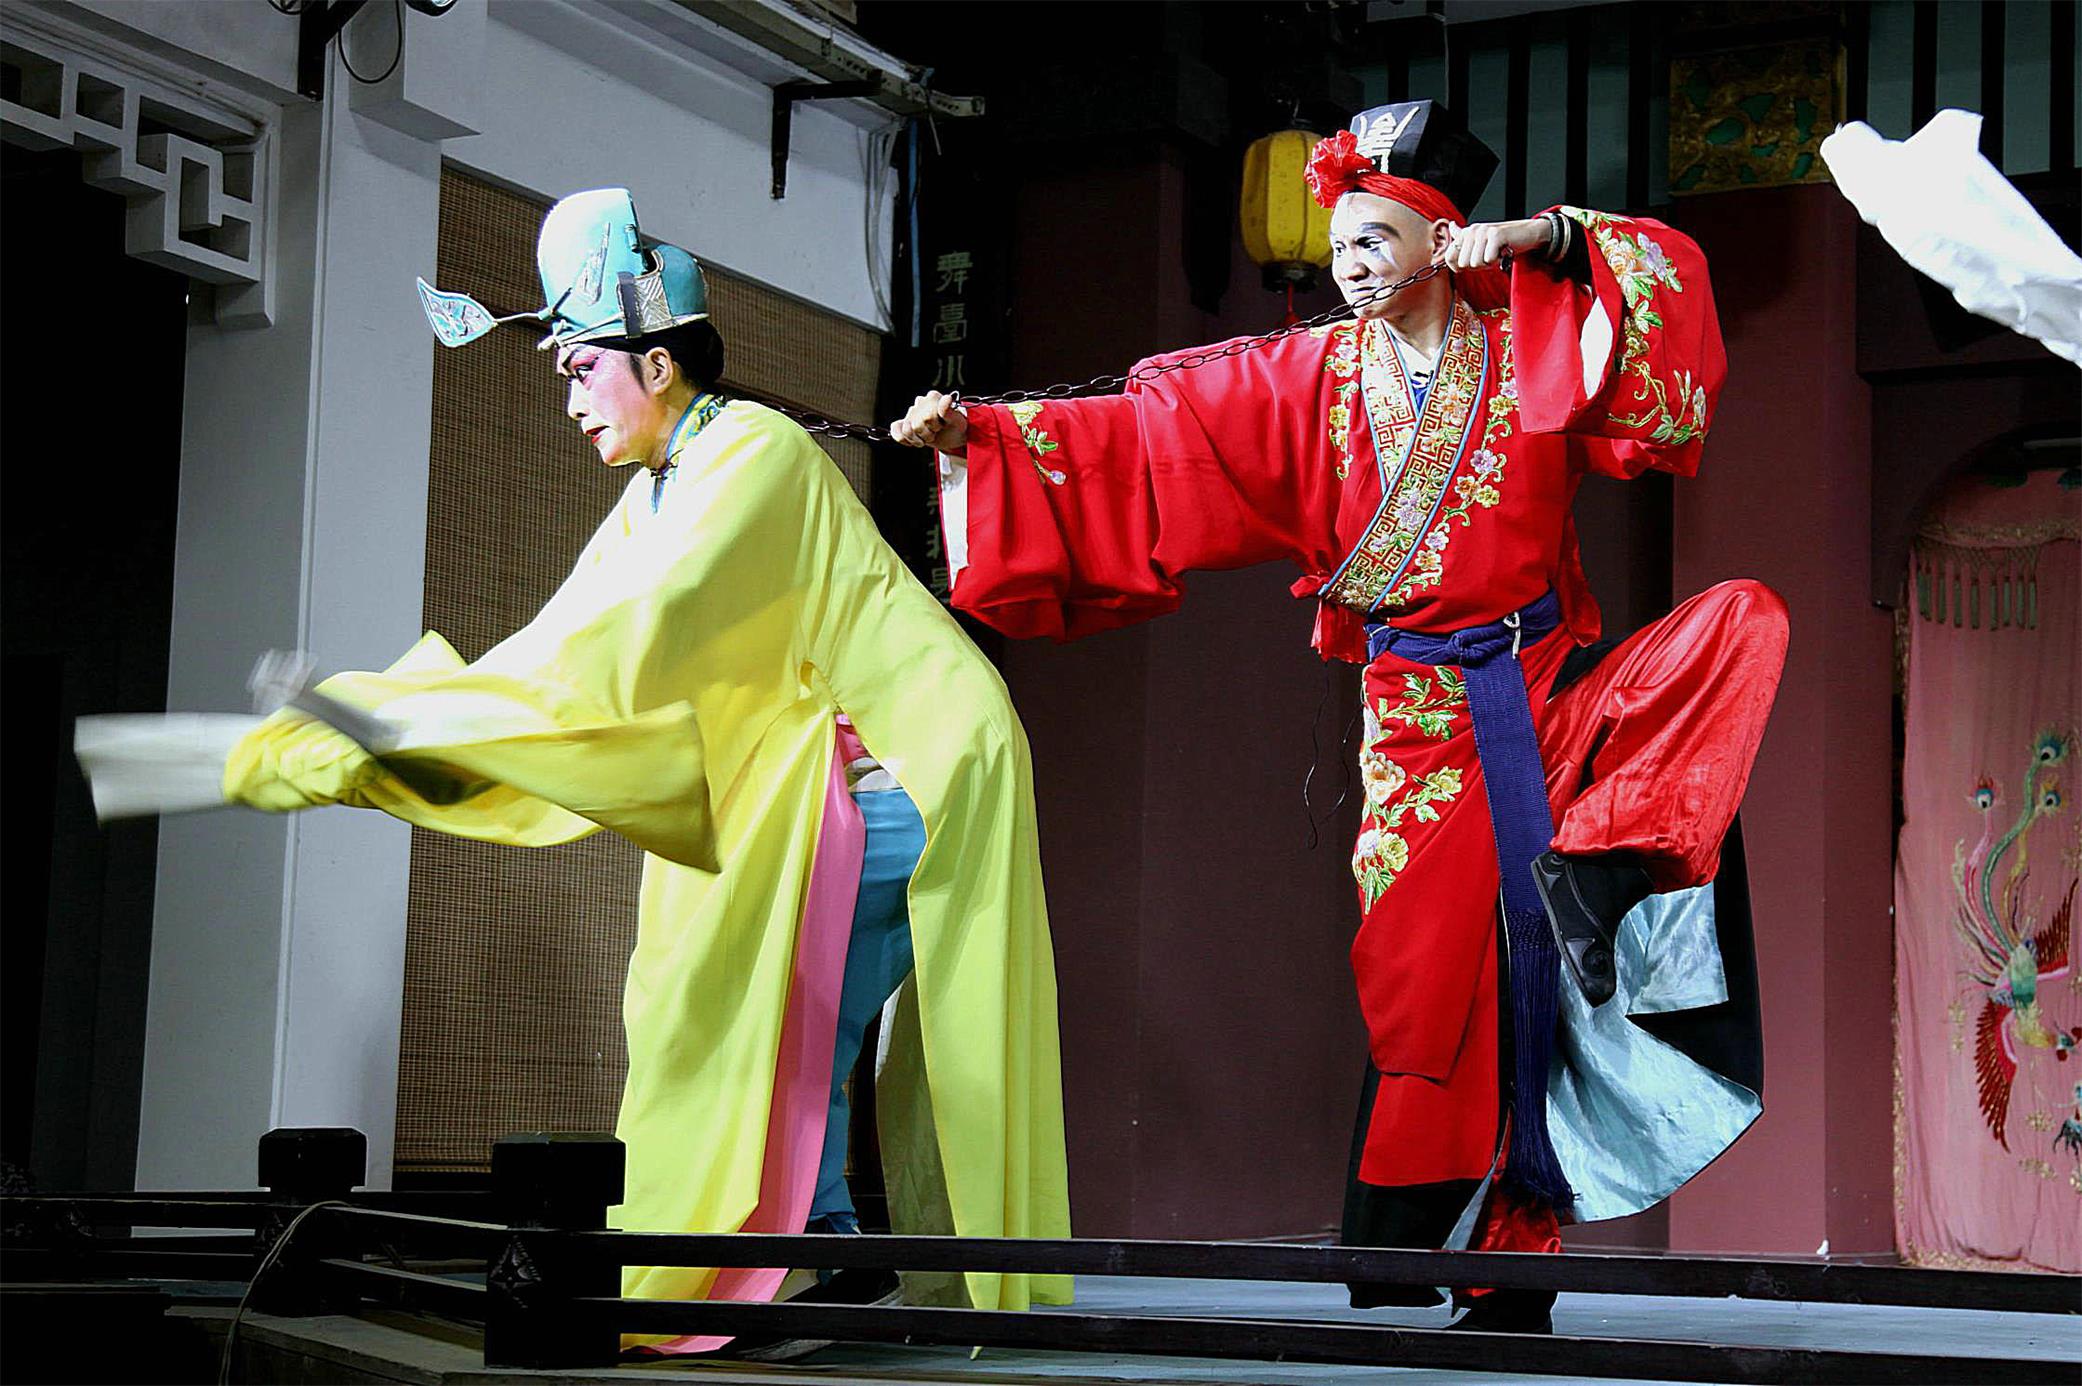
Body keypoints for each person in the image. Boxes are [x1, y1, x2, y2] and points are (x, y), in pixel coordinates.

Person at [77, 189, 1071, 1355]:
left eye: (580, 369)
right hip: (813, 775)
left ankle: (798, 1248)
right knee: (702, 988)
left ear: (655, 364)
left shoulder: (754, 452)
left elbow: (625, 639)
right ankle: (809, 1244)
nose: (569, 400)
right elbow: (553, 644)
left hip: (907, 762)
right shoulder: (662, 485)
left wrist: (401, 722)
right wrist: (393, 724)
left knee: (763, 998)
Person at [893, 102, 1786, 1333]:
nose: (1352, 266)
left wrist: (1546, 237)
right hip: (1416, 722)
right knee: (1432, 992)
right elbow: (1149, 430)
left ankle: (1601, 885)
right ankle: (1460, 1245)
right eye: (1340, 249)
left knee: (1745, 622)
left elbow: (1659, 302)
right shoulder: (1309, 376)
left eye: (1375, 239)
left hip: (1541, 691)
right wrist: (980, 437)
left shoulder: (1527, 341)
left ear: (1441, 237)